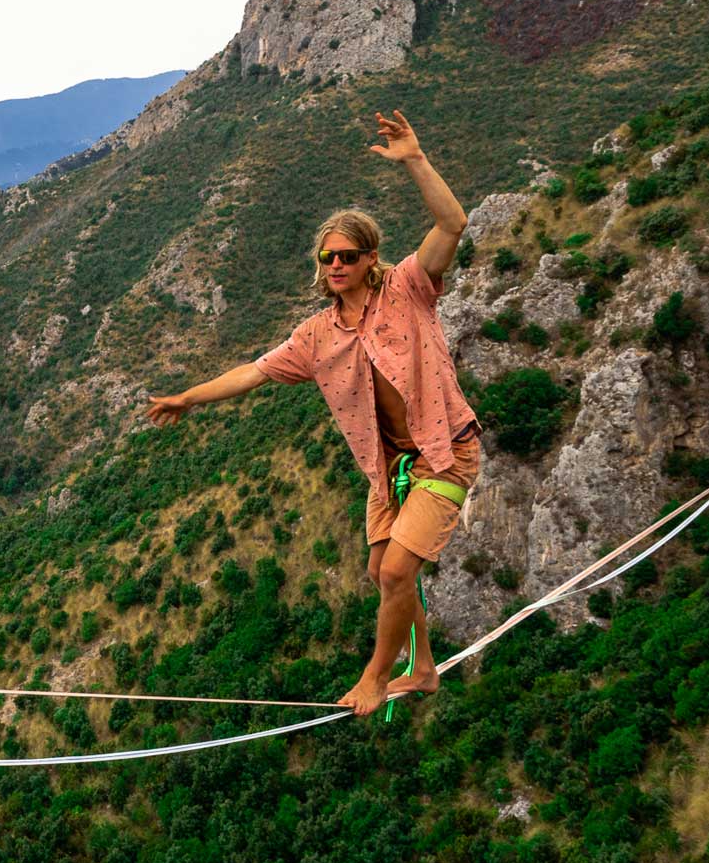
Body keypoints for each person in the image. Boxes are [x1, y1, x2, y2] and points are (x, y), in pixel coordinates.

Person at [145, 110, 481, 717]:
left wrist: (414, 160)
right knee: (383, 572)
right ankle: (423, 668)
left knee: (400, 568)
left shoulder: (407, 288)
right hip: (388, 466)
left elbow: (452, 223)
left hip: (444, 451)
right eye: (326, 259)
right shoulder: (316, 335)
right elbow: (253, 371)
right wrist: (188, 398)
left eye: (347, 256)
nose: (335, 267)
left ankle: (379, 676)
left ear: (370, 256)